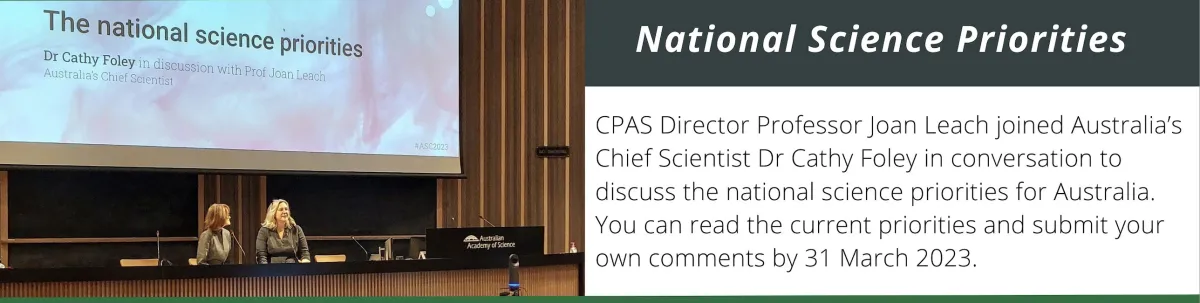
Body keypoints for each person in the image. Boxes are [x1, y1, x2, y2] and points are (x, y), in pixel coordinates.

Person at [255, 199, 311, 264]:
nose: (284, 212)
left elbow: (305, 253)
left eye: (286, 209)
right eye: (281, 209)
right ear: (273, 213)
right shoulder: (264, 231)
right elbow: (261, 256)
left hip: (293, 269)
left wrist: (304, 264)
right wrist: (266, 271)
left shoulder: (297, 230)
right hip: (271, 270)